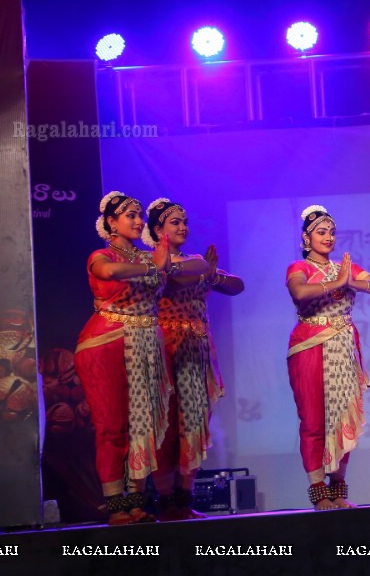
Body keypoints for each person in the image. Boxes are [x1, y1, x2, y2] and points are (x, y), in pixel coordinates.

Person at [74, 191, 201, 525]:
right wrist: (154, 264)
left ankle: (136, 501)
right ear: (111, 222)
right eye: (128, 215)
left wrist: (178, 263)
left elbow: (197, 266)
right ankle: (116, 505)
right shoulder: (100, 255)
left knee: (143, 427)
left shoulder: (151, 257)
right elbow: (110, 273)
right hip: (107, 341)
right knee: (113, 427)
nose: (137, 220)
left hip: (147, 345)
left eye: (139, 215)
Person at [142, 198, 245, 520]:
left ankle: (184, 500)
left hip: (196, 348)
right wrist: (188, 269)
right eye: (175, 222)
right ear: (158, 229)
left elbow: (237, 285)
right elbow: (174, 278)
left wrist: (213, 276)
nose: (183, 227)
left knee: (195, 423)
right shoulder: (148, 262)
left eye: (185, 221)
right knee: (165, 425)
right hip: (164, 348)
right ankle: (164, 500)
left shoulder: (197, 262)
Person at [286, 205, 370, 509]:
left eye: (331, 232)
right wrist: (337, 283)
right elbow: (300, 293)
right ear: (307, 238)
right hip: (310, 347)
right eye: (321, 232)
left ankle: (339, 491)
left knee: (344, 418)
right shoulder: (298, 267)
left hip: (343, 349)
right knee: (314, 421)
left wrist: (351, 281)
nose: (328, 237)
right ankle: (319, 495)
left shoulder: (344, 267)